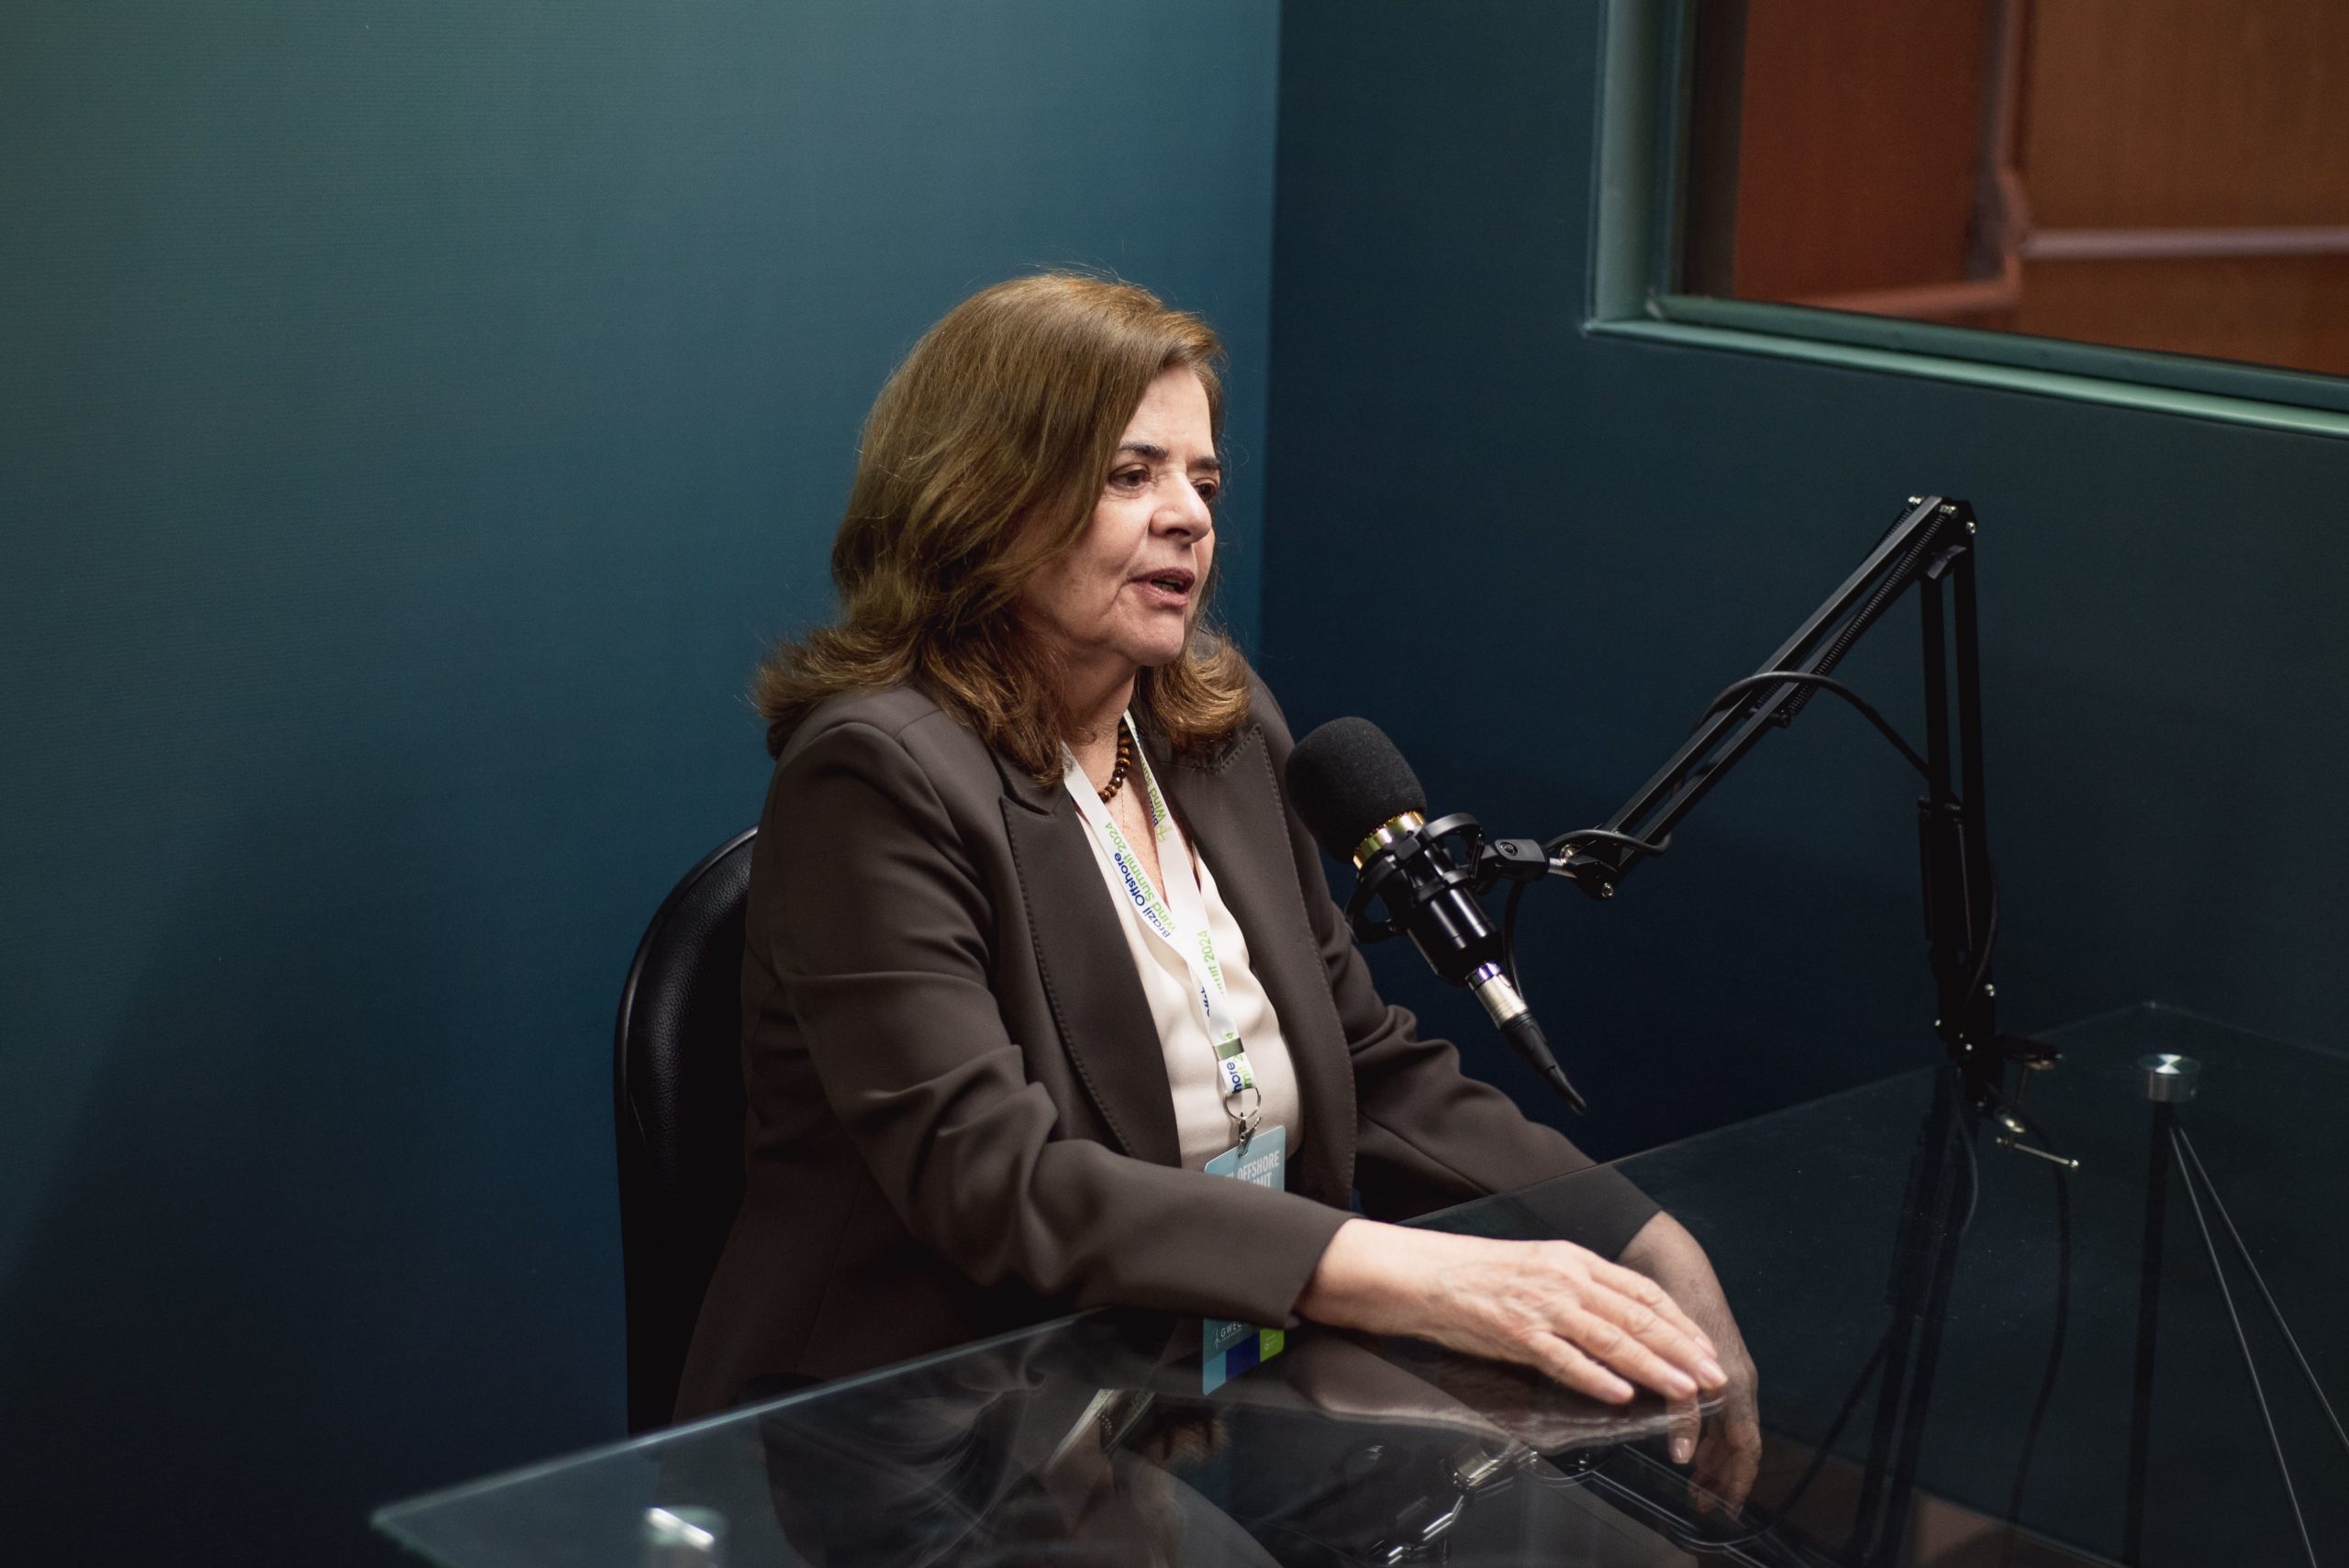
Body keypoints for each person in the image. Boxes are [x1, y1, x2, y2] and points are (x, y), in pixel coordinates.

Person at [676, 272, 1758, 1507]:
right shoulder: (874, 775)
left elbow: (1367, 1061)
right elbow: (997, 1179)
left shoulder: (1220, 734)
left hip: (1190, 1392)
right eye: (1131, 475)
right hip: (925, 1442)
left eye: (1202, 481)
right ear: (980, 496)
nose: (1187, 516)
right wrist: (1424, 1277)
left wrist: (1632, 1231)